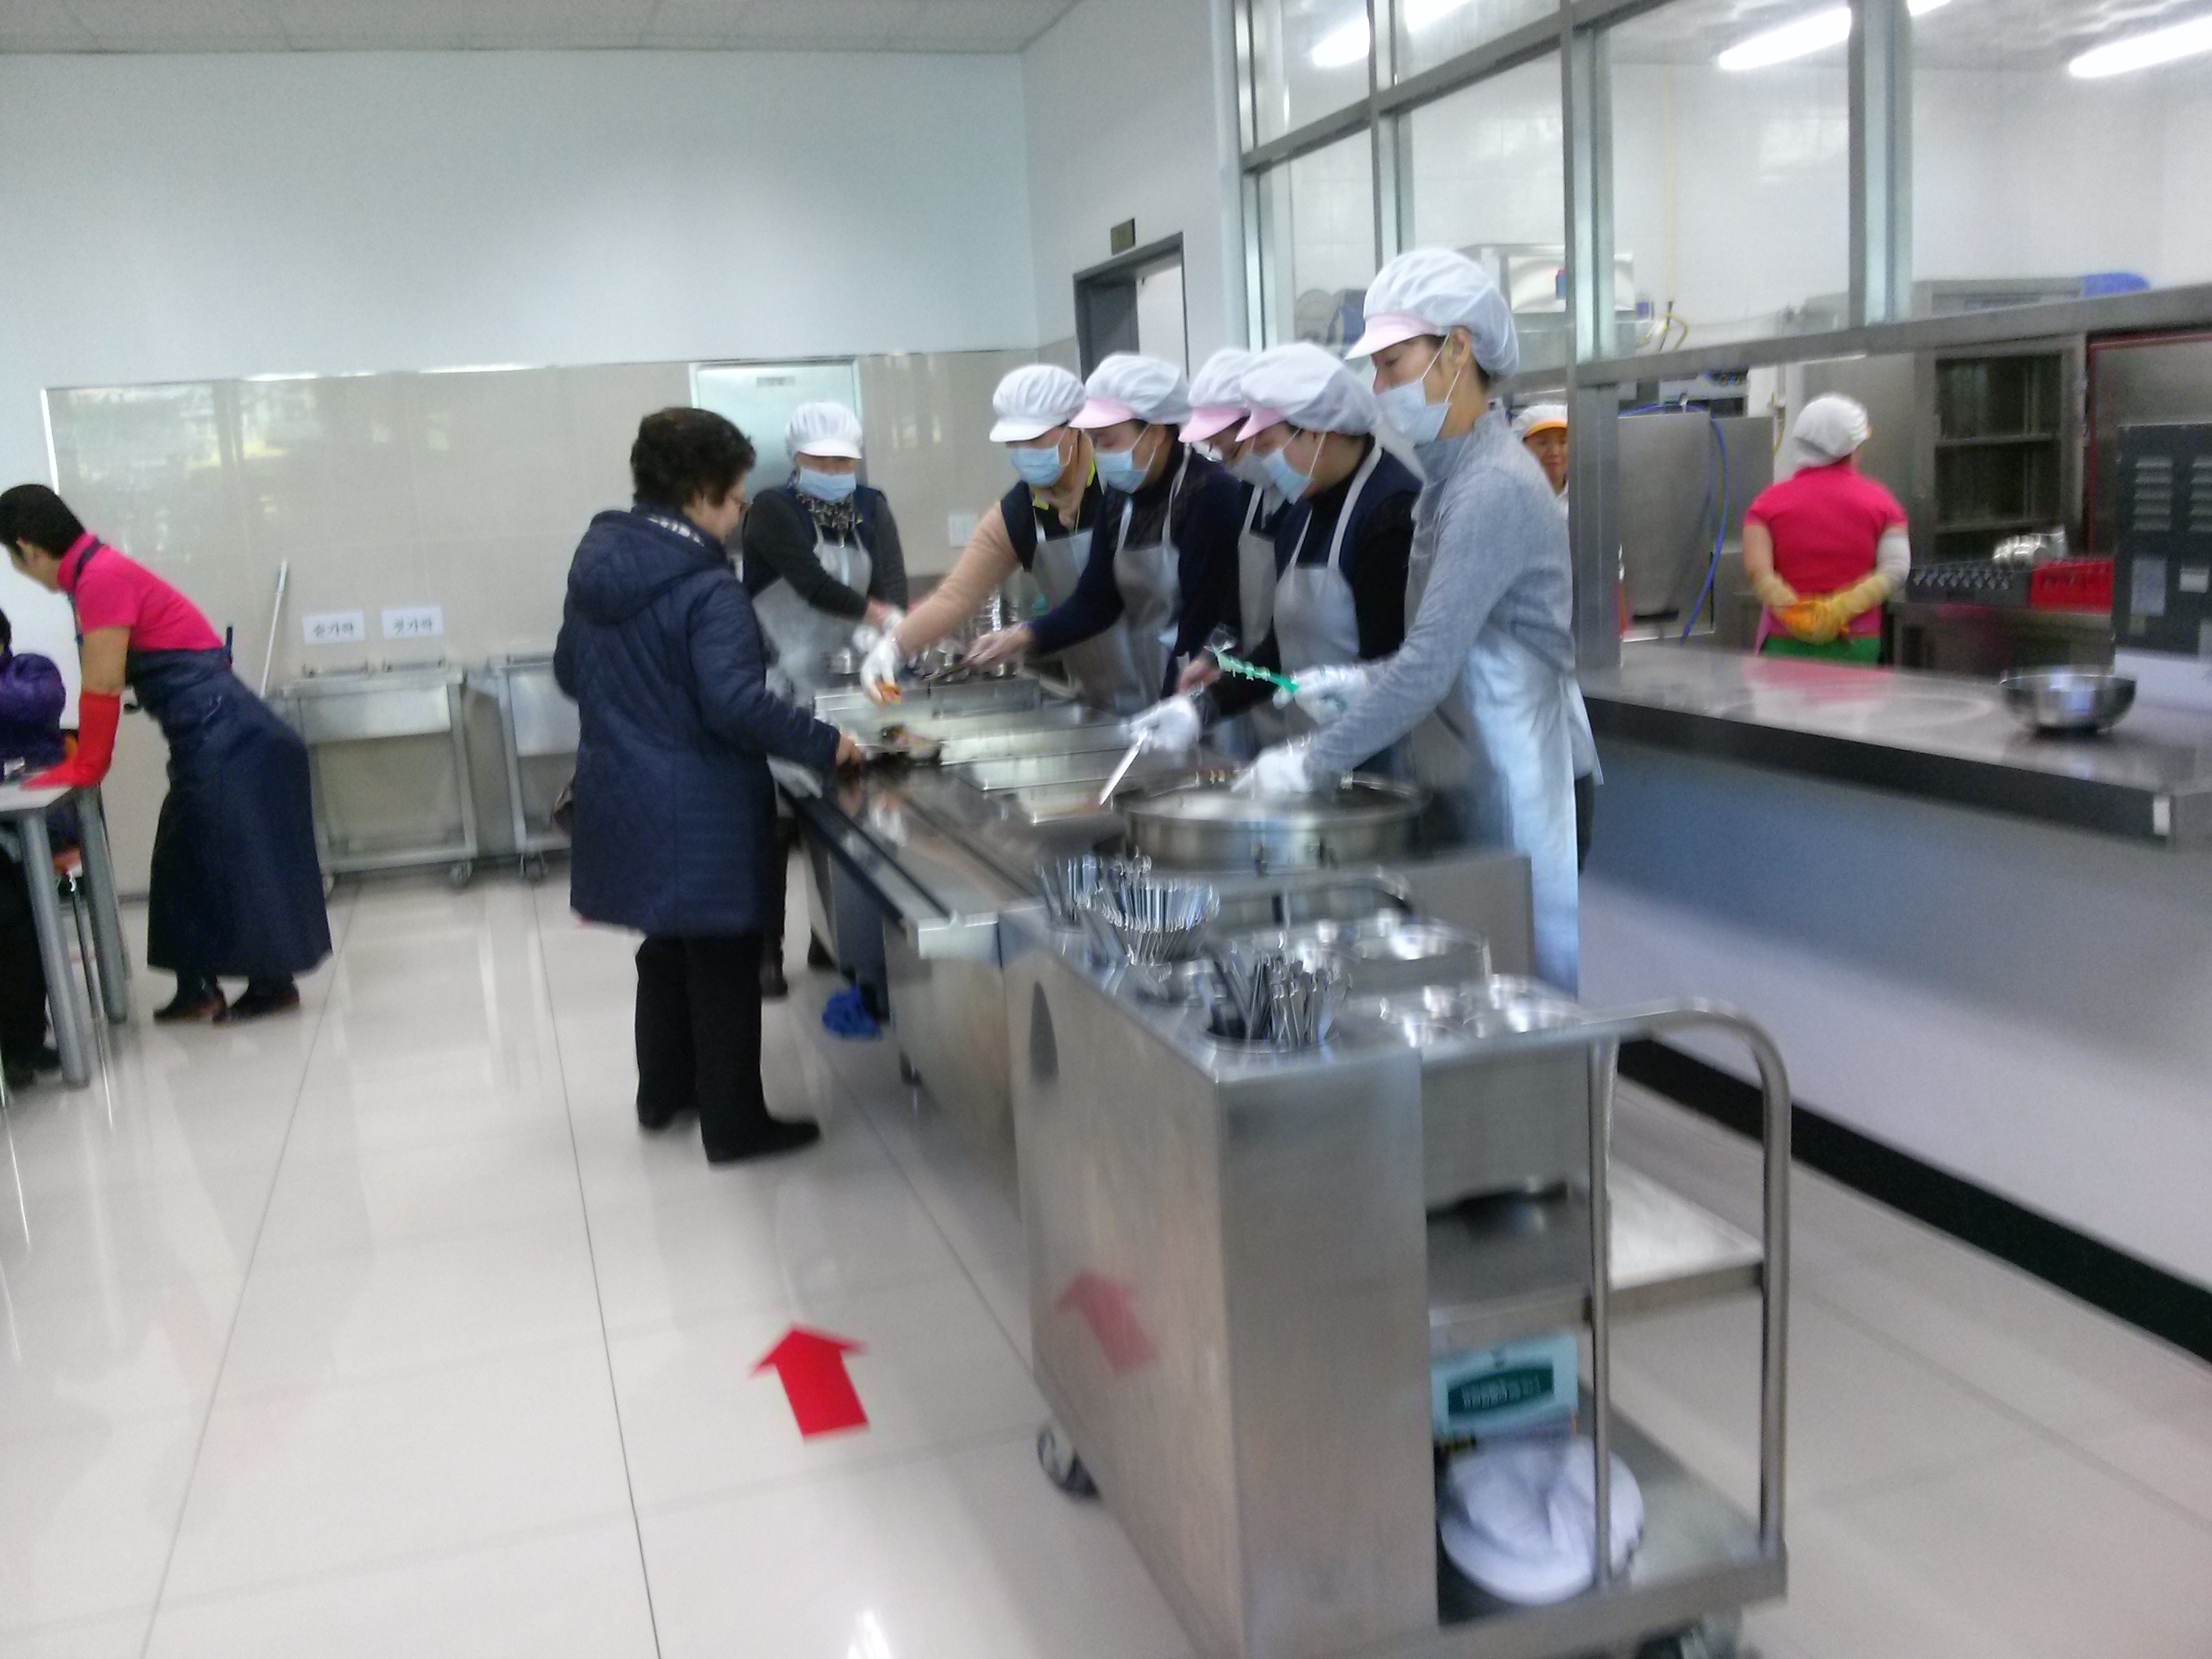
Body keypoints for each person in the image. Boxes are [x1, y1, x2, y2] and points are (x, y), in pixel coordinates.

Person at [1239, 249, 1593, 993]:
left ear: (1457, 350)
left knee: (1529, 996)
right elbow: (1442, 650)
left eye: (1392, 365)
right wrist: (1358, 683)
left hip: (1523, 784)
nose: (1378, 389)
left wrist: (1310, 761)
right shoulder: (1444, 485)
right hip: (1466, 773)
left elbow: (1430, 666)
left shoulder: (1493, 486)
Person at [555, 407, 859, 1166]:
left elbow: (570, 671)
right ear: (697, 494)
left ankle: (663, 1095)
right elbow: (735, 705)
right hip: (700, 801)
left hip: (620, 788)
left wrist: (642, 703)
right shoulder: (707, 588)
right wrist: (829, 744)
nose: (739, 515)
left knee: (665, 945)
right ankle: (735, 1125)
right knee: (723, 956)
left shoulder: (596, 566)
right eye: (734, 499)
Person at [0, 485, 331, 1023]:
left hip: (229, 736)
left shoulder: (100, 579)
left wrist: (87, 764)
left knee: (234, 859)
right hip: (212, 735)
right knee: (181, 860)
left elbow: (103, 682)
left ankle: (272, 984)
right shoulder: (95, 574)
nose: (20, 572)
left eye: (13, 560)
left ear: (28, 548)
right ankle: (197, 986)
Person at [1132, 342, 1418, 766]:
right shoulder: (1304, 509)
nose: (1263, 461)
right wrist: (1205, 705)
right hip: (1312, 751)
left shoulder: (1391, 513)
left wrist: (1315, 761)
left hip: (1378, 766)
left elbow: (1397, 673)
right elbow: (1280, 648)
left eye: (1268, 445)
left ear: (1320, 432)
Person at [955, 353, 1246, 712]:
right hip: (1163, 694)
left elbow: (1203, 621)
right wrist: (1022, 637)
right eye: (1094, 440)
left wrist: (1180, 707)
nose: (1100, 453)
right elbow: (1095, 602)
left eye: (1108, 441)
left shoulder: (1210, 495)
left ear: (1156, 433)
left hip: (1210, 695)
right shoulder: (1121, 499)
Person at [741, 399, 908, 998]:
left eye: (845, 461)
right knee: (778, 823)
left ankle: (831, 932)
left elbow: (891, 582)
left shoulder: (871, 507)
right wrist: (878, 614)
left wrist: (889, 637)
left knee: (848, 813)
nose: (837, 471)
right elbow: (811, 585)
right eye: (824, 461)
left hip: (850, 682)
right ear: (798, 459)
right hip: (784, 685)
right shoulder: (771, 510)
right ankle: (767, 950)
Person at [861, 364, 1131, 705]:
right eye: (1013, 442)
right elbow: (955, 597)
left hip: (1168, 683)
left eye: (1034, 439)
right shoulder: (1019, 513)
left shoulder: (1121, 485)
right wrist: (893, 647)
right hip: (1098, 698)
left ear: (1074, 429)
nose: (1023, 451)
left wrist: (1022, 636)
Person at [1743, 394, 1908, 665]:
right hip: (1855, 643)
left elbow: (1759, 574)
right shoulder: (1882, 503)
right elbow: (1896, 569)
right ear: (1853, 449)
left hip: (1786, 644)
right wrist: (1838, 611)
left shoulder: (1766, 505)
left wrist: (1800, 616)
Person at [0, 607, 66, 1086]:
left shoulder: (32, 670)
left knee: (18, 916)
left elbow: (36, 706)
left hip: (34, 822)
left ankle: (21, 1042)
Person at [1514, 404, 1570, 510]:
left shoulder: (1589, 494)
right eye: (1542, 443)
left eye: (1563, 442)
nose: (1554, 452)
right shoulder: (1511, 500)